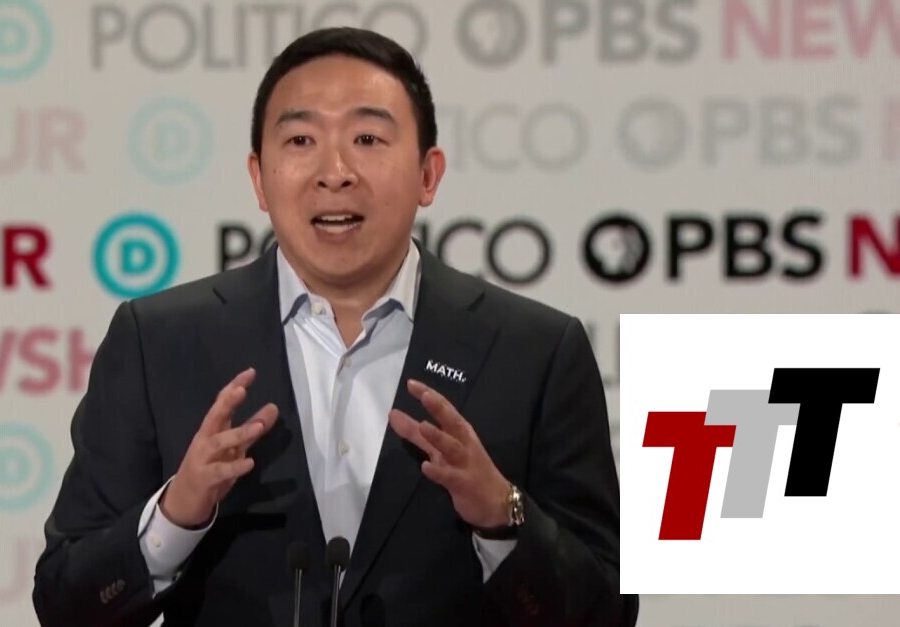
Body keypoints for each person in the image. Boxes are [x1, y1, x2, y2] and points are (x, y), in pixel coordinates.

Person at [32, 26, 636, 627]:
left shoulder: (535, 351)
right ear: (258, 178)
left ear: (428, 175)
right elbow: (65, 604)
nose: (335, 171)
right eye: (301, 140)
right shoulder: (157, 341)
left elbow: (609, 611)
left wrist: (503, 516)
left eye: (368, 138)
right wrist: (174, 517)